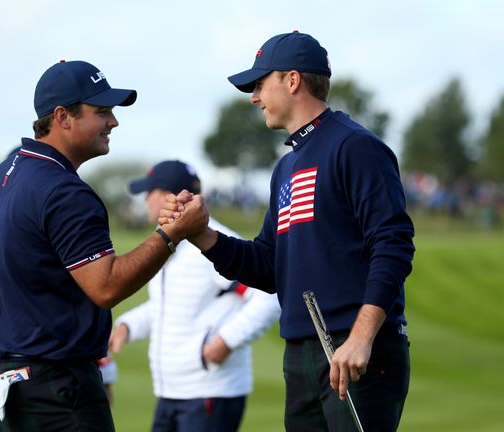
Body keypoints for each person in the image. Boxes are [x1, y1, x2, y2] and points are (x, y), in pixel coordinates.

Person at [160, 32, 415, 431]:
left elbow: (393, 243)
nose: (254, 97)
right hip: (301, 353)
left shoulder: (355, 147)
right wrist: (201, 233)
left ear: (292, 80)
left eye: (260, 84)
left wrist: (363, 336)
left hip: (355, 349)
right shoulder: (287, 167)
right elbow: (267, 265)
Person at [0, 60, 206, 431]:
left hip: (10, 386)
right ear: (63, 117)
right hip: (59, 393)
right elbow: (105, 285)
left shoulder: (7, 171)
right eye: (102, 112)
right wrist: (172, 234)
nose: (114, 122)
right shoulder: (65, 191)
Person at [109, 160, 280, 432]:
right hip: (173, 392)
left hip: (210, 392)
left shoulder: (217, 241)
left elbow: (268, 297)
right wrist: (128, 325)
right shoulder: (168, 240)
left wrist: (224, 342)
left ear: (167, 196)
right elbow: (170, 306)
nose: (145, 200)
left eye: (149, 192)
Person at [0, 222, 119, 408]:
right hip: (9, 387)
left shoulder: (66, 218)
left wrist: (105, 372)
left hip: (74, 380)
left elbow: (81, 304)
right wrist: (1, 361)